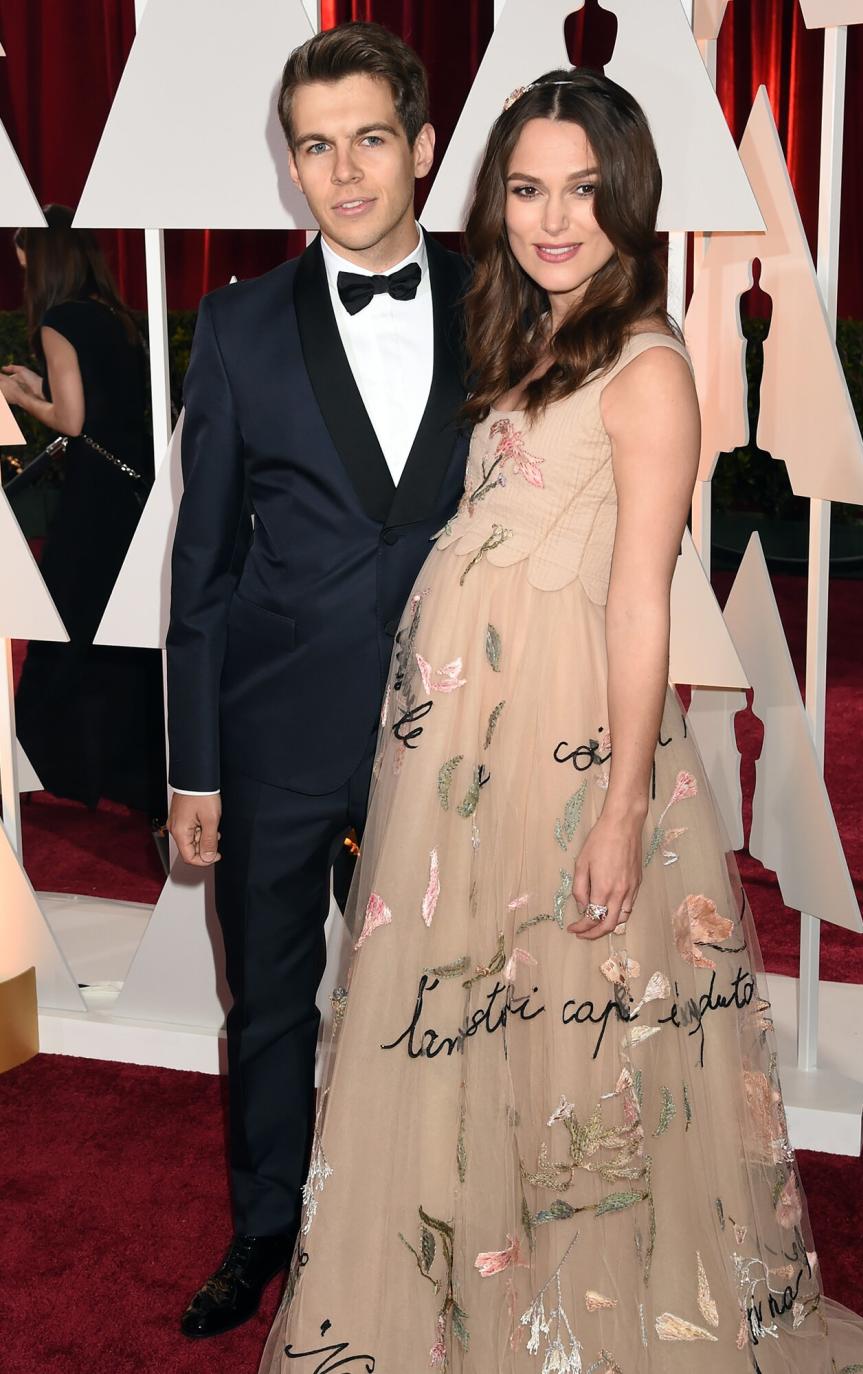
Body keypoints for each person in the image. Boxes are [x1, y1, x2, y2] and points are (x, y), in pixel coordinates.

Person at [260, 69, 863, 1374]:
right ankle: (478, 1300)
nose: (552, 216)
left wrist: (620, 806)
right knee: (477, 1015)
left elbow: (636, 605)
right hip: (466, 753)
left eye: (581, 189)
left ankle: (577, 1319)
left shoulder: (649, 365)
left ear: (627, 199)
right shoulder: (527, 332)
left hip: (564, 749)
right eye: (526, 188)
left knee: (578, 1032)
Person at [164, 23, 471, 1339]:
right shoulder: (235, 328)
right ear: (289, 165)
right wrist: (193, 762)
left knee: (450, 995)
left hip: (461, 731)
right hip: (276, 732)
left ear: (423, 147)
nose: (343, 172)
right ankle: (265, 1224)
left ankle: (448, 1220)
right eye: (315, 145)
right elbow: (202, 562)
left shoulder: (505, 298)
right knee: (272, 998)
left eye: (369, 139)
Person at [1, 205, 166, 820]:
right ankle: (131, 772)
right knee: (120, 637)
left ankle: (48, 763)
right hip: (134, 495)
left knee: (66, 626)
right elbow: (100, 407)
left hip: (95, 498)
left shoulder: (58, 320)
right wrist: (43, 389)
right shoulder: (113, 316)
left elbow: (72, 423)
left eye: (24, 264)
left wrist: (21, 397)